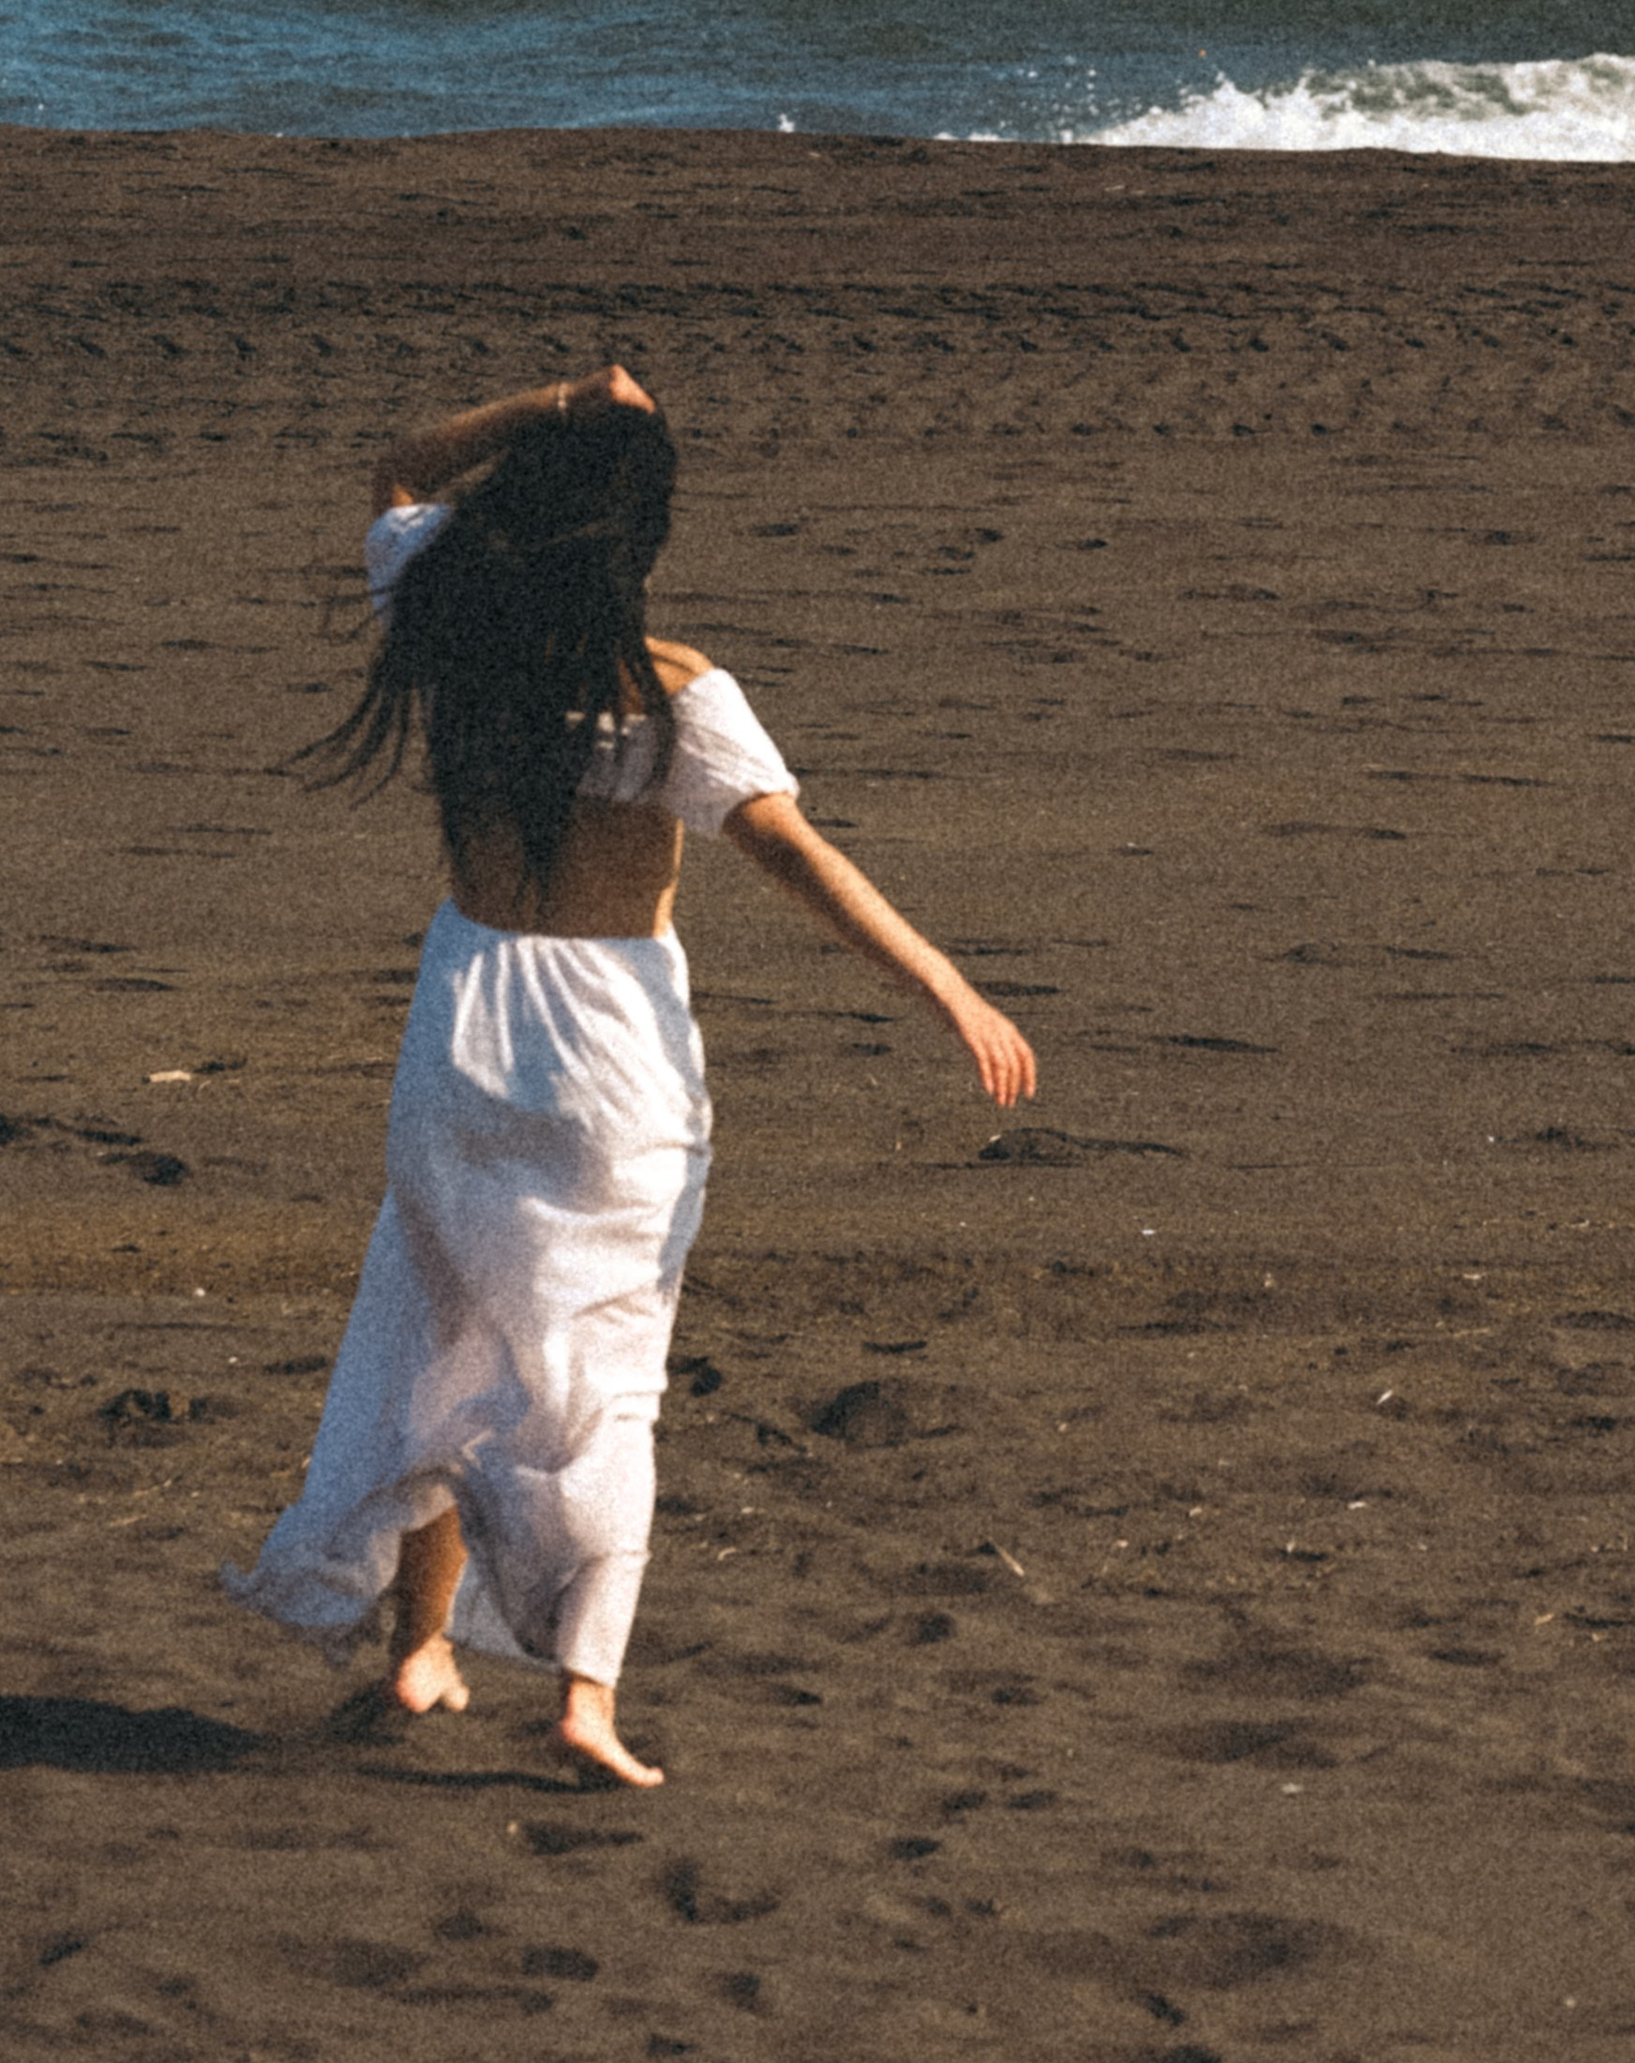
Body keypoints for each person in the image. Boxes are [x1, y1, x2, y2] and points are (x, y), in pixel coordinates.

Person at [225, 367, 1034, 1787]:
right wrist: (950, 986)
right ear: (634, 542)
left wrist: (552, 400)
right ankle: (585, 1692)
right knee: (604, 1363)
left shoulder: (443, 624)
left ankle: (423, 1651)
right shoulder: (671, 690)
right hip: (608, 1051)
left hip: (465, 1022)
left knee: (444, 1326)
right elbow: (800, 861)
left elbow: (402, 468)